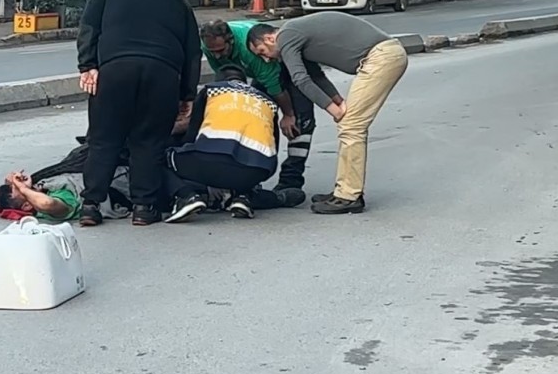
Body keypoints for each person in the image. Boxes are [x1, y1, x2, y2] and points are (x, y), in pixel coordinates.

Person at [76, 0, 201, 227]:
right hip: (162, 75)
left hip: (114, 70)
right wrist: (187, 95)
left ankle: (90, 206)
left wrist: (87, 66)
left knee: (103, 139)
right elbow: (192, 53)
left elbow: (88, 27)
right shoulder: (179, 1)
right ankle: (143, 208)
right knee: (149, 142)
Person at [246, 12, 409, 215]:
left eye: (262, 51)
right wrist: (338, 102)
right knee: (350, 125)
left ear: (270, 38)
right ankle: (343, 191)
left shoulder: (286, 36)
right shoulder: (296, 34)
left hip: (381, 58)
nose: (266, 59)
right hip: (384, 55)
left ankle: (348, 197)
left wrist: (332, 110)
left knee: (351, 126)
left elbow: (300, 79)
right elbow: (316, 76)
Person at [163, 69, 307, 223]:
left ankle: (186, 196)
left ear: (218, 80)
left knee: (156, 157)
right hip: (259, 170)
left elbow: (192, 136)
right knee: (241, 160)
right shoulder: (266, 100)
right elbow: (273, 147)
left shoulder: (212, 90)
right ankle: (243, 196)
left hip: (211, 161)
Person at [200, 19, 316, 196]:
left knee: (301, 124)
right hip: (261, 72)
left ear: (230, 40)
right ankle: (252, 174)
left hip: (288, 67)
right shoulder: (208, 45)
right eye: (212, 52)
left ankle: (291, 180)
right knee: (258, 118)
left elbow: (275, 86)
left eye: (221, 51)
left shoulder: (250, 49)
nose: (217, 56)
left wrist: (288, 114)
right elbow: (224, 77)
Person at [0, 172, 81, 222]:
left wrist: (9, 182)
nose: (20, 183)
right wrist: (24, 188)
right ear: (27, 205)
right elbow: (47, 204)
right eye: (18, 187)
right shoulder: (61, 202)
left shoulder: (39, 190)